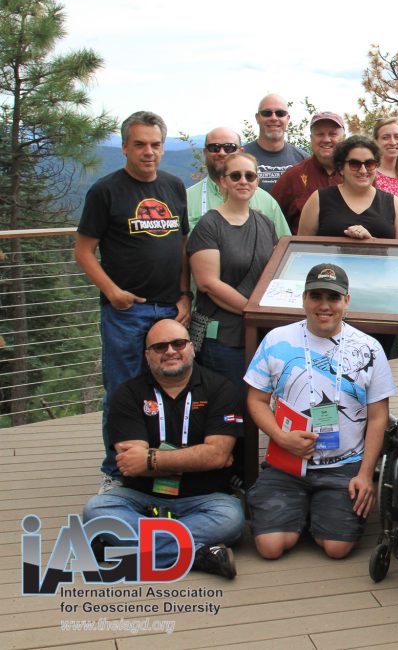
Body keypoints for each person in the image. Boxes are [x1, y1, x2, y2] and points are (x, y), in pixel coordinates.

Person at [244, 264, 398, 560]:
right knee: (270, 547)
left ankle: (315, 512)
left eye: (333, 297)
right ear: (304, 299)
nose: (324, 305)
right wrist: (280, 437)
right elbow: (256, 400)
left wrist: (366, 474)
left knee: (337, 548)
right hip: (287, 462)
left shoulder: (370, 348)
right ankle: (300, 510)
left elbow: (378, 416)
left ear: (346, 301)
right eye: (316, 296)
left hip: (343, 464)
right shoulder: (277, 339)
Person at [75, 111, 191, 494]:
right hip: (127, 311)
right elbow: (84, 251)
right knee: (124, 390)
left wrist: (184, 294)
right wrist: (112, 292)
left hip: (169, 310)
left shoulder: (174, 187)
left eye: (156, 144)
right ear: (125, 146)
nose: (149, 152)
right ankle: (116, 469)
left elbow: (183, 246)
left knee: (173, 389)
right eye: (140, 144)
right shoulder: (106, 191)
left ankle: (160, 461)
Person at [82, 319, 244, 579]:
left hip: (204, 498)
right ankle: (199, 555)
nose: (170, 351)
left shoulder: (221, 389)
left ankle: (121, 549)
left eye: (178, 343)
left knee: (231, 518)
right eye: (159, 347)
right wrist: (199, 457)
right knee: (96, 510)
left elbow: (217, 455)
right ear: (147, 355)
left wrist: (151, 459)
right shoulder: (128, 395)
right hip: (141, 498)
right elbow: (131, 465)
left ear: (191, 347)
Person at [187, 151, 278, 409]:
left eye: (250, 176)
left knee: (255, 405)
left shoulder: (265, 224)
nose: (243, 181)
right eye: (235, 175)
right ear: (222, 181)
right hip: (223, 337)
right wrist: (253, 310)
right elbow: (208, 283)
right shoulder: (209, 225)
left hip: (259, 334)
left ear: (257, 181)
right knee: (228, 407)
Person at [297, 135, 398, 241]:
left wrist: (372, 241)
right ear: (341, 168)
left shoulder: (394, 203)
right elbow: (301, 250)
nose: (363, 170)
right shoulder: (318, 199)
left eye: (369, 164)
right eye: (355, 164)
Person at [186, 126, 291, 238]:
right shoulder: (186, 199)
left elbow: (284, 245)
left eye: (229, 148)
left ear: (241, 151)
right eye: (214, 148)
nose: (222, 153)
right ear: (205, 152)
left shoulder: (267, 202)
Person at [272, 112, 346, 233]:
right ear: (311, 139)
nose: (326, 139)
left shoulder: (358, 174)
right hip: (305, 251)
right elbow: (270, 219)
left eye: (333, 134)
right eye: (320, 134)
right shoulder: (292, 177)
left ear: (344, 138)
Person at [243, 94, 308, 191]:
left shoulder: (304, 160)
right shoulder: (240, 156)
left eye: (280, 113)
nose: (273, 118)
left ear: (288, 118)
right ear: (257, 118)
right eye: (266, 113)